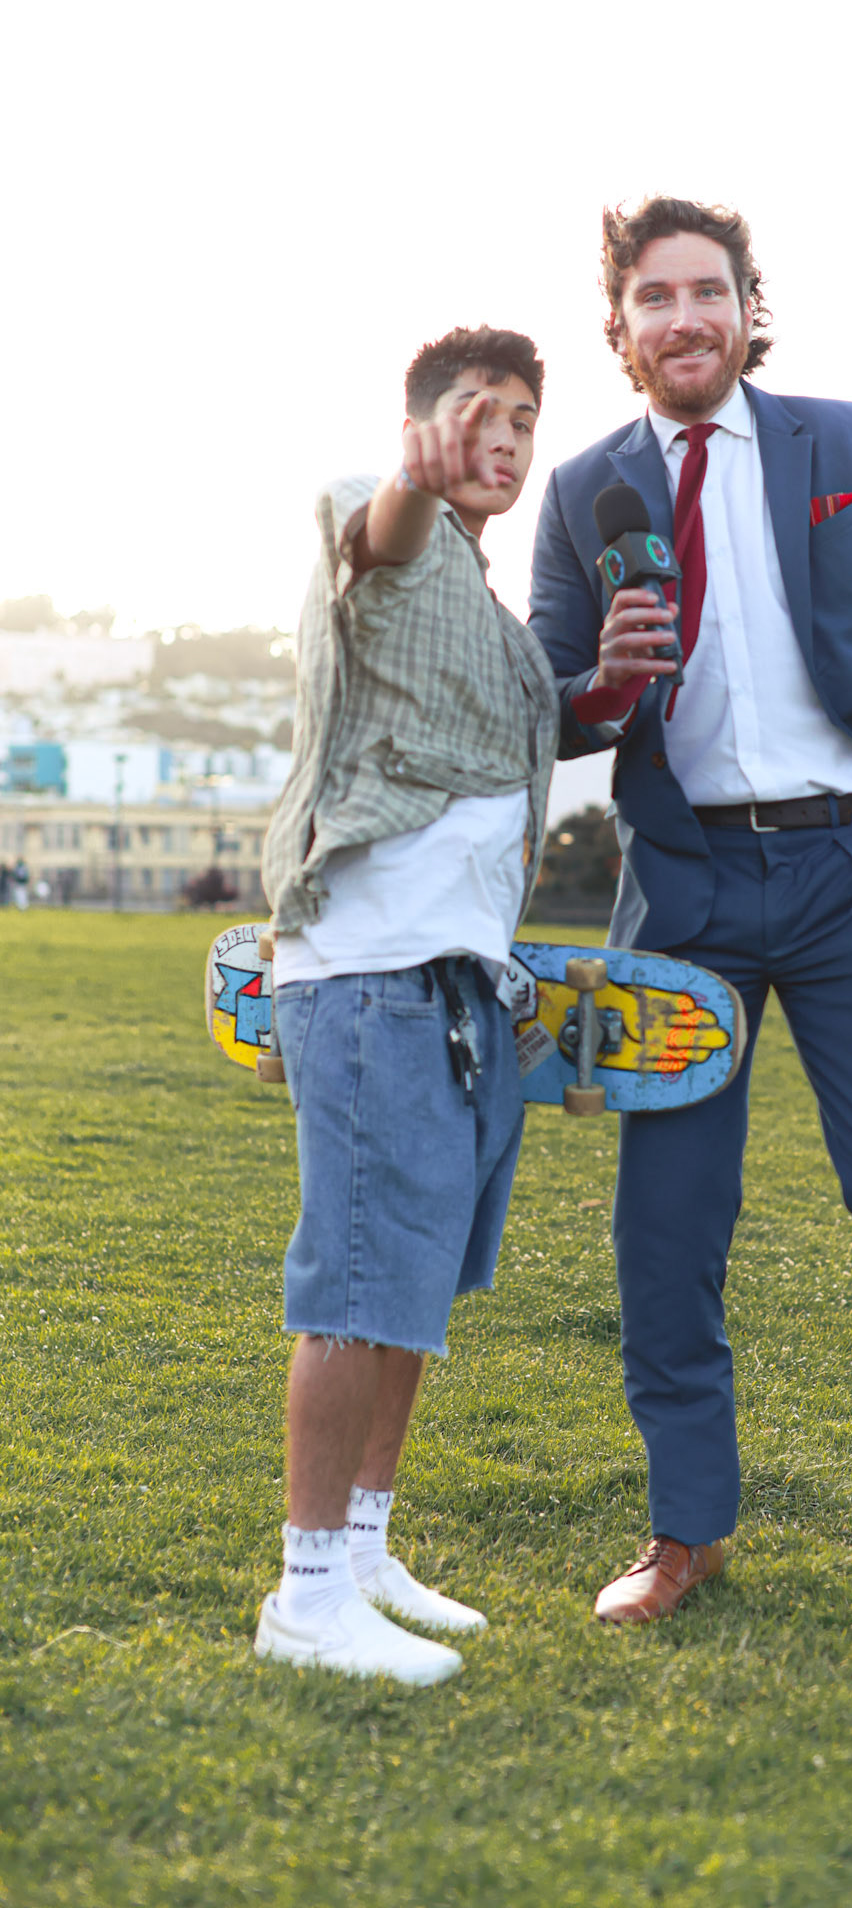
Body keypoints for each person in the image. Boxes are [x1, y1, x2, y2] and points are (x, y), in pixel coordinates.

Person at [528, 197, 852, 1620]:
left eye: (707, 291)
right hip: (682, 891)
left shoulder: (843, 444)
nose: (684, 317)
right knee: (668, 1226)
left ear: (746, 308)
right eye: (654, 297)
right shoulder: (582, 490)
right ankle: (687, 1526)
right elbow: (548, 707)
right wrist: (603, 683)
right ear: (621, 327)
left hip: (851, 870)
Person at [256, 327, 559, 1684]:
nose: (504, 438)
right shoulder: (383, 515)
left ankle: (366, 1547)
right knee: (355, 1279)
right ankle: (307, 1593)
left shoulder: (490, 609)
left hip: (458, 982)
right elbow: (372, 542)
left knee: (414, 1286)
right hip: (371, 973)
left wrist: (601, 685)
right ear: (425, 427)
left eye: (523, 421)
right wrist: (410, 483)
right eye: (478, 414)